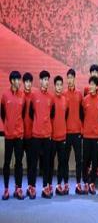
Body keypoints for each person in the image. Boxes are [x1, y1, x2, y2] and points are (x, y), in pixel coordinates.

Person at [29, 70, 54, 199]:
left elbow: (52, 114)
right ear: (40, 81)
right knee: (33, 163)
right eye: (44, 79)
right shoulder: (34, 96)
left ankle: (45, 187)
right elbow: (30, 114)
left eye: (47, 80)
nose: (46, 82)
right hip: (36, 135)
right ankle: (32, 187)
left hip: (47, 136)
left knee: (46, 163)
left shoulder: (51, 97)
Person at [1, 70, 25, 200]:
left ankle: (18, 188)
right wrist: (8, 126)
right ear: (12, 81)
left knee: (19, 163)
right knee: (6, 163)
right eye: (17, 80)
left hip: (19, 135)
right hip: (9, 135)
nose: (19, 82)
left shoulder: (22, 96)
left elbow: (24, 113)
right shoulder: (5, 95)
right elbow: (2, 113)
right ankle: (6, 189)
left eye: (19, 80)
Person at [82, 75, 98, 195]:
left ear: (97, 87)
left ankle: (92, 183)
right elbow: (82, 115)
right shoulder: (85, 100)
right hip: (86, 135)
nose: (91, 86)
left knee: (95, 161)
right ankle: (85, 182)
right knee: (86, 160)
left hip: (96, 136)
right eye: (90, 84)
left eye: (93, 85)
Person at [64, 68, 84, 194]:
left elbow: (82, 114)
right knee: (65, 160)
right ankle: (66, 184)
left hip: (77, 132)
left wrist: (81, 129)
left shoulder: (79, 95)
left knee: (78, 160)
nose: (70, 80)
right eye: (68, 77)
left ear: (74, 79)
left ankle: (78, 184)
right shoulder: (63, 94)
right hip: (66, 133)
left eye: (72, 77)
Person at [50, 75, 69, 195]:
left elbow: (65, 116)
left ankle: (59, 184)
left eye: (61, 85)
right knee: (50, 163)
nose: (59, 87)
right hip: (52, 137)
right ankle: (50, 185)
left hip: (62, 137)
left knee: (62, 162)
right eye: (57, 85)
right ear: (54, 86)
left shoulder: (65, 100)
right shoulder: (51, 99)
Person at [21, 72, 35, 198]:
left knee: (31, 164)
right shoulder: (19, 96)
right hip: (19, 136)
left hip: (31, 136)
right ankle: (18, 187)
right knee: (18, 163)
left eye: (30, 81)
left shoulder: (34, 97)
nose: (28, 84)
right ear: (23, 83)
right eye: (26, 81)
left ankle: (31, 187)